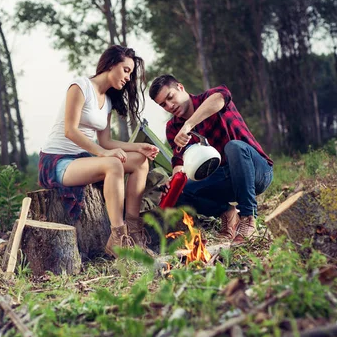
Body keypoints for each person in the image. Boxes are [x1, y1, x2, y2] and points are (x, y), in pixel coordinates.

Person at [39, 45, 159, 257]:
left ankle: (134, 232)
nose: (128, 78)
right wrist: (103, 154)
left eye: (130, 73)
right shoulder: (81, 86)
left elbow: (106, 141)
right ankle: (118, 237)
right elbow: (70, 130)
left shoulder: (108, 101)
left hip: (81, 159)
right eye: (126, 70)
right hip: (57, 161)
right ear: (111, 64)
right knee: (113, 164)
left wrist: (138, 147)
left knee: (140, 161)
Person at [149, 75, 274, 244]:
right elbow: (179, 163)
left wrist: (188, 125)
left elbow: (220, 98)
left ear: (180, 87)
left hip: (256, 171)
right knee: (180, 191)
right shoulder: (172, 128)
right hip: (223, 180)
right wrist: (174, 183)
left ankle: (248, 218)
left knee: (234, 147)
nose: (169, 106)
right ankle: (228, 214)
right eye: (163, 104)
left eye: (170, 97)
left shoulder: (210, 97)